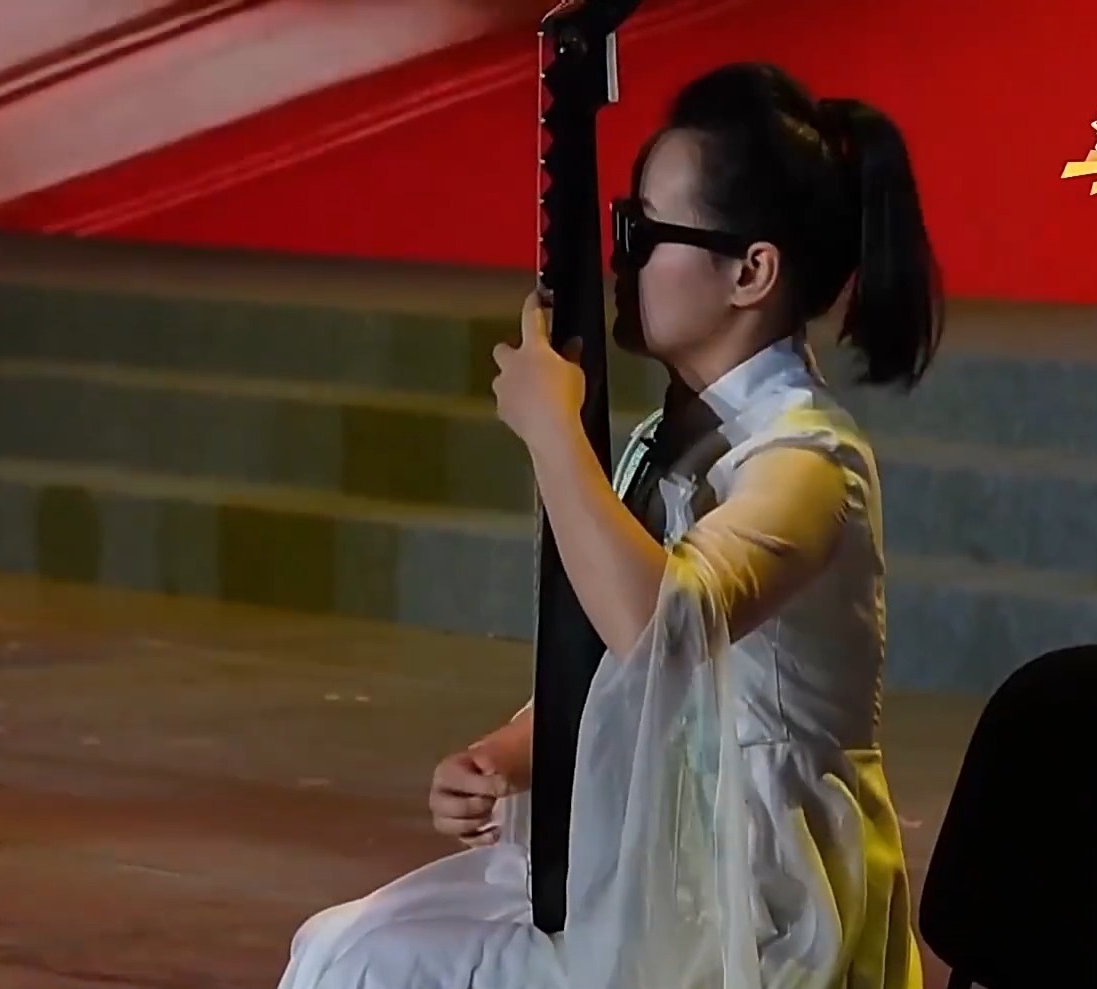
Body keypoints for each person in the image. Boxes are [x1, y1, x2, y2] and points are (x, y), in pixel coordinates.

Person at [278, 61, 944, 989]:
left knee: (373, 967)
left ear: (750, 272)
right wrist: (507, 754)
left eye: (645, 232)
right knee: (342, 946)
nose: (623, 258)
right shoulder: (672, 438)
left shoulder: (806, 460)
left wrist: (555, 434)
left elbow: (662, 623)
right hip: (654, 861)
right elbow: (613, 666)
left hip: (757, 904)